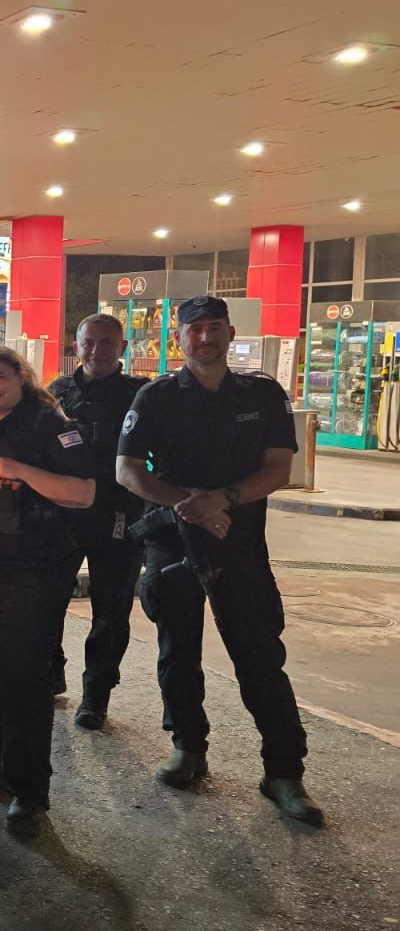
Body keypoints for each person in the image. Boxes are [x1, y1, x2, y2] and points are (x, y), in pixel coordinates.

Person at [116, 295, 323, 827]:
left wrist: (222, 500)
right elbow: (128, 470)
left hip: (239, 540)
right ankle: (188, 748)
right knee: (177, 652)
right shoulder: (156, 396)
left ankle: (284, 773)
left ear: (230, 333)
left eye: (213, 327)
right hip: (173, 539)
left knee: (259, 655)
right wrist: (189, 504)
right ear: (179, 338)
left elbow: (278, 468)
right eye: (194, 329)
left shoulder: (262, 393)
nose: (204, 337)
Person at [0, 345, 95, 838]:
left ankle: (29, 791)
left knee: (24, 678)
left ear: (20, 377)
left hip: (33, 569)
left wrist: (20, 470)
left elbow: (84, 493)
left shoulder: (52, 425)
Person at [46, 313, 148, 728]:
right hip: (62, 516)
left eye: (107, 343)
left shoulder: (141, 395)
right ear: (76, 346)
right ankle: (49, 674)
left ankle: (96, 695)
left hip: (119, 516)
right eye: (89, 342)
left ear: (122, 348)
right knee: (46, 601)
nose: (97, 350)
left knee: (111, 611)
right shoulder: (56, 393)